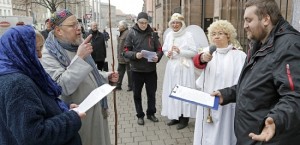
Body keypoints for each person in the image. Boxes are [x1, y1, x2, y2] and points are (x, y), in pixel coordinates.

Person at [209, 0, 300, 144]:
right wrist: (226, 94)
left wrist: (276, 119)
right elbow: (255, 85)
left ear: (265, 19)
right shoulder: (260, 43)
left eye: (248, 20)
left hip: (267, 139)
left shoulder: (289, 45)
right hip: (250, 136)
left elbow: (295, 95)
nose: (244, 26)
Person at [40, 9, 118, 145]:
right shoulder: (48, 54)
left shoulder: (76, 44)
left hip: (96, 109)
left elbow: (89, 73)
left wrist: (106, 76)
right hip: (79, 115)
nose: (78, 28)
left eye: (78, 24)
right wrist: (80, 57)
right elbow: (61, 86)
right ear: (58, 30)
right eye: (72, 25)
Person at [0, 25, 85, 145]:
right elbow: (34, 136)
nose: (40, 55)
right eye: (36, 50)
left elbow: (34, 107)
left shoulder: (15, 73)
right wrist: (71, 118)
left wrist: (63, 108)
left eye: (41, 49)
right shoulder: (17, 84)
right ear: (19, 50)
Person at [192, 20, 246, 145]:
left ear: (228, 35)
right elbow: (196, 62)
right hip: (208, 99)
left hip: (227, 102)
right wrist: (202, 58)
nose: (216, 36)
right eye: (214, 33)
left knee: (225, 131)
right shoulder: (207, 52)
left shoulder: (238, 55)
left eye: (220, 33)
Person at [123, 12, 163, 125]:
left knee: (151, 93)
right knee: (137, 94)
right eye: (141, 23)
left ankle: (151, 113)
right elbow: (125, 51)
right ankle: (140, 115)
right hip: (136, 71)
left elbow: (160, 49)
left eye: (145, 23)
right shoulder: (131, 33)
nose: (144, 25)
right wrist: (135, 55)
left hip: (151, 70)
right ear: (137, 22)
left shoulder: (152, 34)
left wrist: (158, 57)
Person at [161, 13, 198, 130]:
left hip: (184, 67)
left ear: (182, 24)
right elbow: (164, 48)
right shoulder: (169, 35)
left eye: (177, 23)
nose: (175, 25)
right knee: (173, 90)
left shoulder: (188, 35)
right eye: (173, 23)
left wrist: (180, 51)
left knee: (184, 91)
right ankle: (175, 116)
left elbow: (194, 52)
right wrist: (168, 53)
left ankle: (184, 118)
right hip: (172, 67)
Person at [116, 20, 132, 91]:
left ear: (123, 27)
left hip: (126, 57)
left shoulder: (128, 33)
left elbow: (129, 46)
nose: (118, 27)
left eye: (119, 25)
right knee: (120, 71)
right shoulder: (122, 33)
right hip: (121, 57)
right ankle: (118, 85)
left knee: (129, 72)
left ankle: (131, 86)